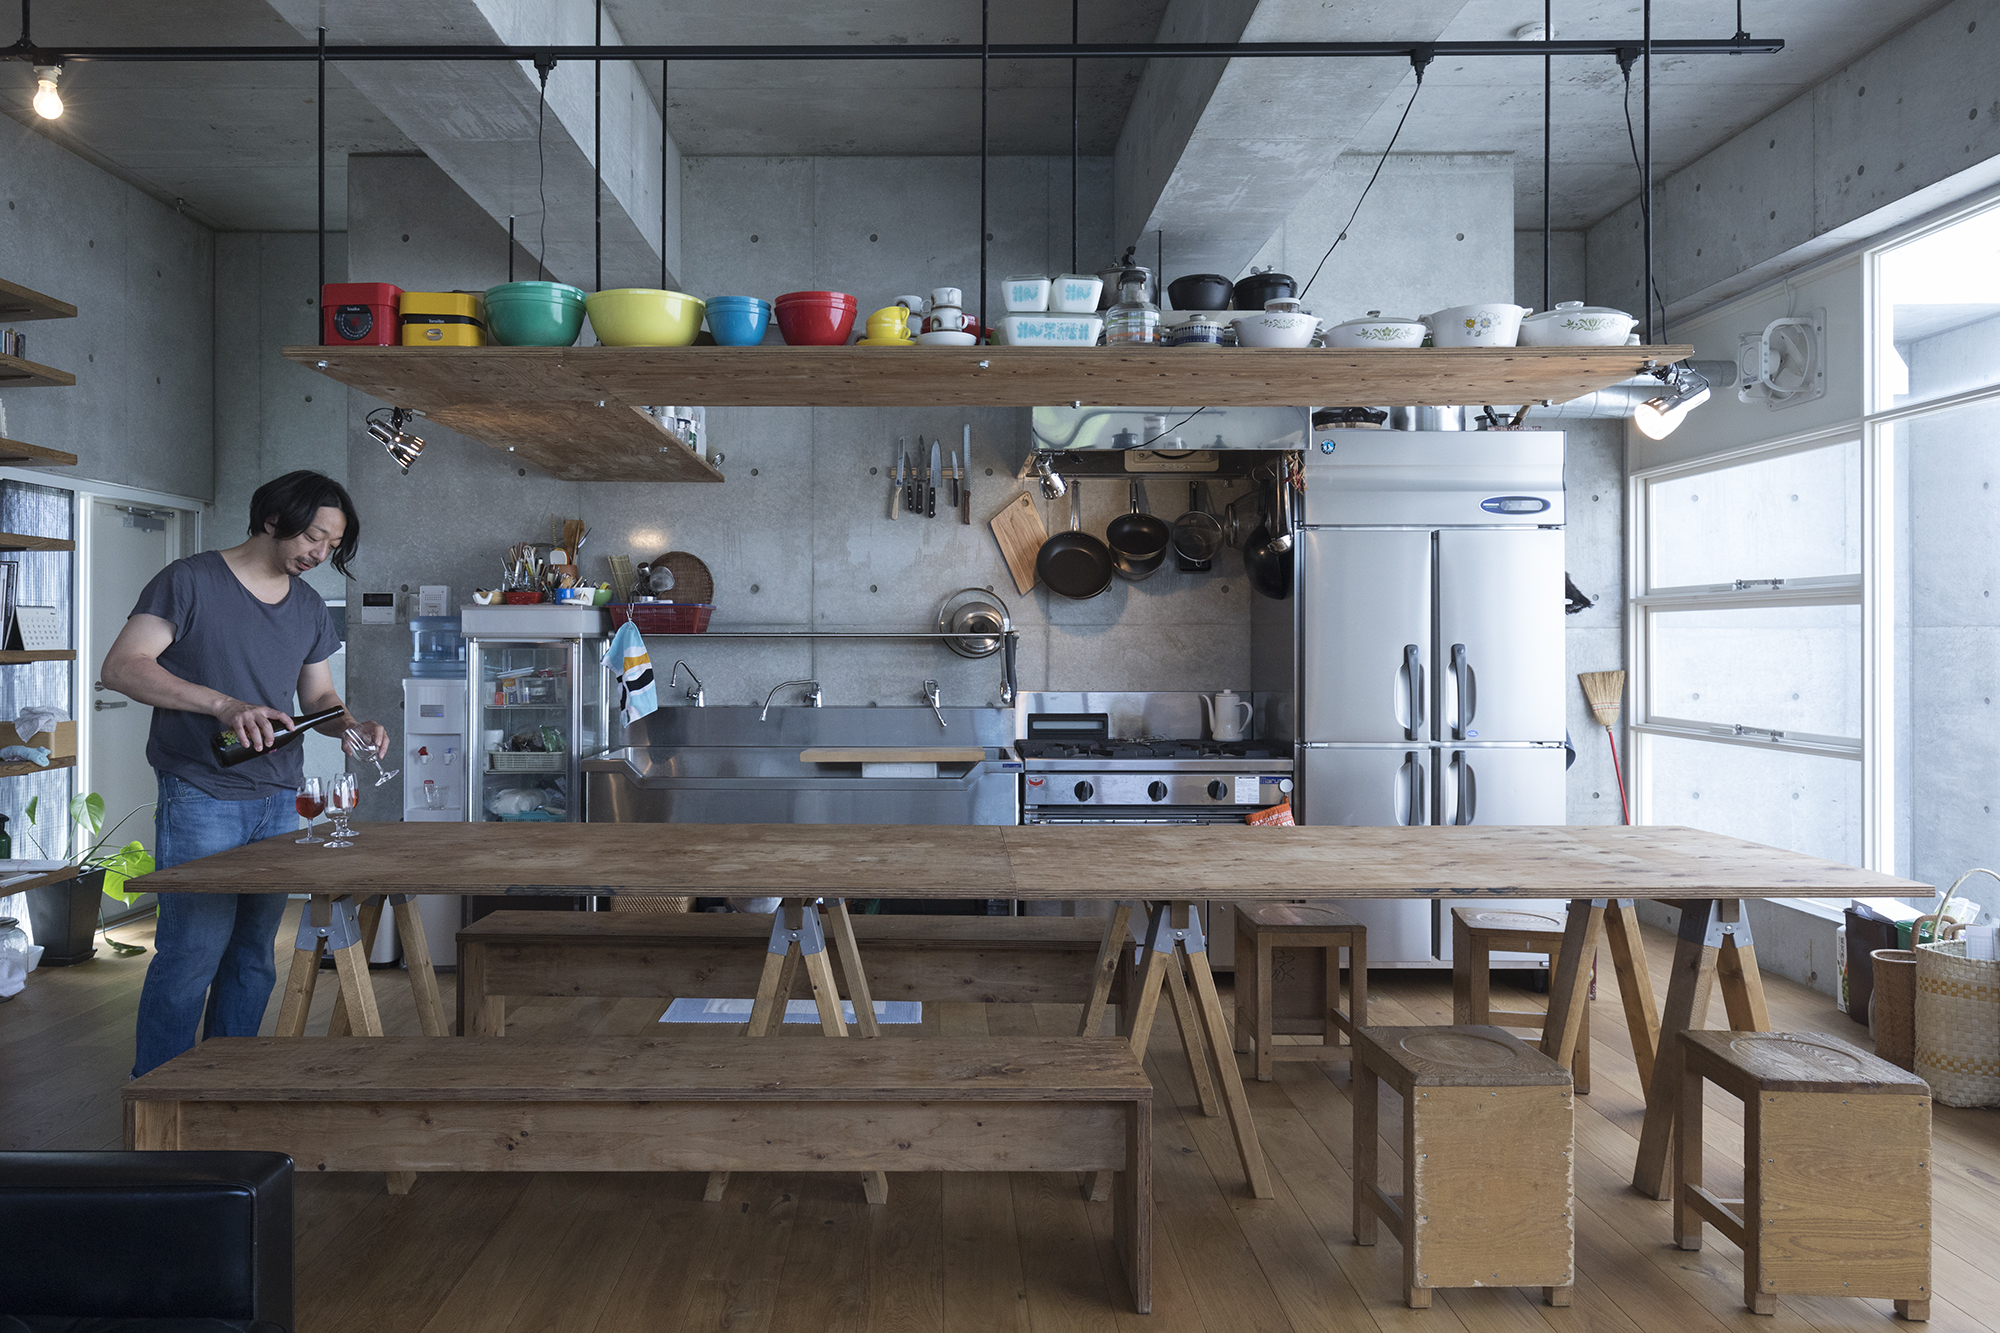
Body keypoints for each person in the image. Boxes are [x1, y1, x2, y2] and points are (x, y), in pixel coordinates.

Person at [104, 470, 391, 1077]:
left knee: (255, 956)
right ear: (272, 519)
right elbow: (124, 667)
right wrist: (223, 705)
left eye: (333, 545)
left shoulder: (308, 605)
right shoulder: (188, 580)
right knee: (190, 955)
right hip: (201, 791)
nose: (321, 554)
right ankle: (159, 1093)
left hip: (282, 797)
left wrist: (352, 726)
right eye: (313, 536)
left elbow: (320, 699)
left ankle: (226, 1084)